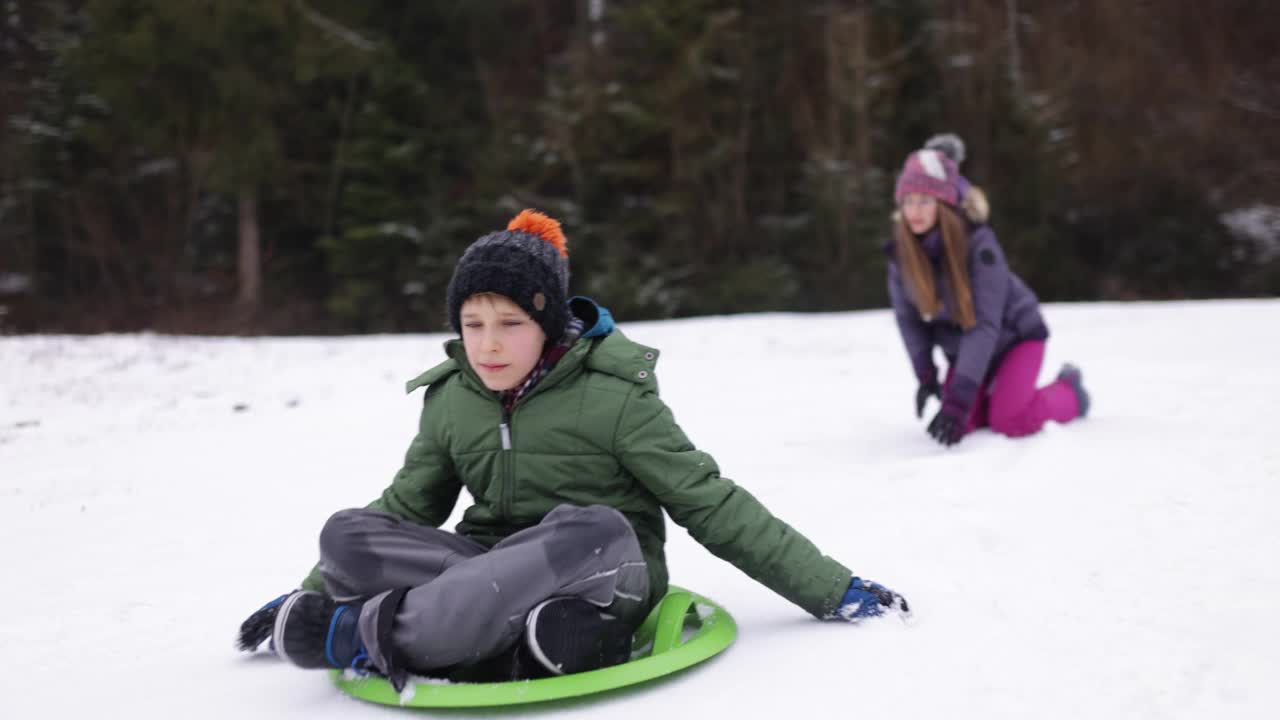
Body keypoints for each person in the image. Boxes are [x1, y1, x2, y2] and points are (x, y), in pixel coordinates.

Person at [238, 210, 909, 688]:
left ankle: (358, 634)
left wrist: (832, 589)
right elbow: (406, 510)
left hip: (601, 568)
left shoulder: (615, 397)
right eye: (472, 325)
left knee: (589, 525)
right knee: (348, 533)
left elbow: (711, 502)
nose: (488, 345)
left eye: (509, 324)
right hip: (490, 564)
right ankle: (514, 638)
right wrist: (306, 588)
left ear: (549, 322)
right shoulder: (453, 400)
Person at [887, 137, 1090, 447]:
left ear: (943, 204)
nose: (915, 210)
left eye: (925, 200)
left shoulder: (979, 245)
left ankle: (1069, 391)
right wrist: (927, 377)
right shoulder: (902, 255)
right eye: (909, 200)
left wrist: (958, 400)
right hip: (964, 350)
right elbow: (908, 321)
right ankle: (991, 391)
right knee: (963, 424)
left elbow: (985, 324)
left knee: (1010, 420)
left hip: (1015, 338)